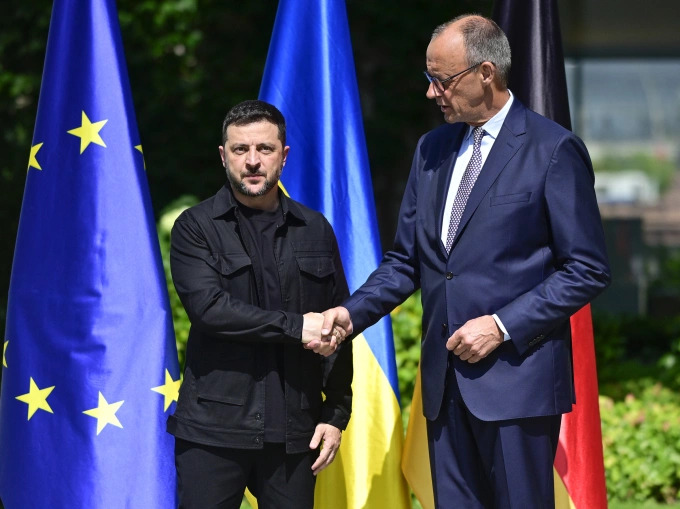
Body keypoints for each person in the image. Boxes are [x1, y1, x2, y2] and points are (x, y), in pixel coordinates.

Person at [320, 14, 610, 509]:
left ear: (486, 73)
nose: (431, 92)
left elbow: (587, 267)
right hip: (444, 388)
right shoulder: (431, 150)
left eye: (442, 80)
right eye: (428, 78)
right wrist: (350, 315)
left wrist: (501, 326)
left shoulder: (552, 149)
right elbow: (407, 261)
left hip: (517, 385)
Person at [167, 99, 352, 509]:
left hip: (295, 432)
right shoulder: (195, 227)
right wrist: (297, 327)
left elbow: (337, 325)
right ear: (223, 156)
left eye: (264, 149)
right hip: (213, 432)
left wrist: (336, 414)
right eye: (240, 149)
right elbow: (210, 310)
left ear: (283, 155)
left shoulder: (315, 228)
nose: (252, 160)